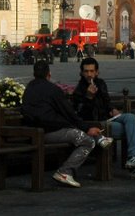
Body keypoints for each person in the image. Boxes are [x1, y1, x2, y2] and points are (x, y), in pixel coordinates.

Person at [21, 59, 102, 188]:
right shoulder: (53, 89)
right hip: (49, 131)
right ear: (49, 74)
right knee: (87, 141)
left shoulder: (29, 88)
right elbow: (69, 113)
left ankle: (66, 171)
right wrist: (86, 128)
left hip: (31, 131)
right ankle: (65, 171)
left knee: (78, 134)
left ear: (34, 74)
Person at [72, 57, 135, 180]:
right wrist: (88, 97)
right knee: (131, 129)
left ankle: (134, 159)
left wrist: (112, 109)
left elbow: (106, 102)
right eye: (86, 71)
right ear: (81, 73)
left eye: (92, 71)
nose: (89, 74)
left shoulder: (101, 83)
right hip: (96, 124)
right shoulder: (79, 90)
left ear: (97, 72)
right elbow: (80, 114)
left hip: (108, 118)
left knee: (131, 118)